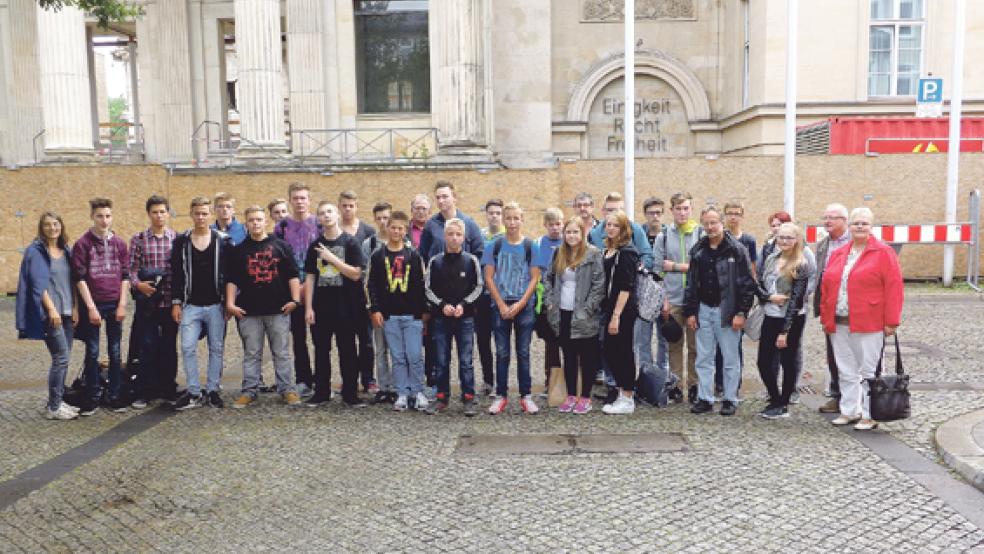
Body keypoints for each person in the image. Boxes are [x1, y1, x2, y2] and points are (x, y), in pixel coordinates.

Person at [820, 207, 903, 431]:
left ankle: (870, 413)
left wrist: (891, 320)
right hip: (839, 321)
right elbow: (827, 287)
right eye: (856, 223)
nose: (859, 227)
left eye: (864, 223)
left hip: (870, 321)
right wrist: (826, 317)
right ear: (849, 226)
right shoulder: (840, 253)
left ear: (871, 227)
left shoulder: (883, 252)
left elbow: (894, 288)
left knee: (870, 371)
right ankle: (849, 410)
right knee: (845, 370)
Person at [226, 207, 302, 408]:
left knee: (282, 352)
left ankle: (287, 389)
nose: (256, 223)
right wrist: (230, 303)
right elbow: (232, 280)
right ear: (246, 223)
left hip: (278, 309)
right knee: (252, 353)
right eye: (251, 220)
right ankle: (250, 390)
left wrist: (295, 300)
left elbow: (293, 275)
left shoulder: (281, 246)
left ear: (266, 222)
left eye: (259, 219)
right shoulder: (239, 250)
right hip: (248, 311)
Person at [684, 206, 755, 416]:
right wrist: (691, 312)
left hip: (728, 311)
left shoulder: (737, 250)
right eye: (706, 223)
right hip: (703, 310)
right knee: (703, 358)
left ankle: (730, 398)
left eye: (714, 222)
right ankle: (705, 398)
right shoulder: (698, 250)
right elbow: (691, 283)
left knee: (730, 358)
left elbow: (746, 284)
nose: (710, 227)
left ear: (722, 223)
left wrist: (741, 312)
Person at [302, 201, 367, 408]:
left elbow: (356, 274)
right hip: (321, 307)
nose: (326, 215)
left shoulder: (350, 242)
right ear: (318, 219)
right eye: (322, 213)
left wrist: (332, 258)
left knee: (347, 350)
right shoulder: (314, 246)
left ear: (337, 214)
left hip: (346, 307)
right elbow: (310, 277)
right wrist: (309, 307)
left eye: (330, 211)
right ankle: (321, 392)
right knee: (321, 350)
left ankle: (350, 393)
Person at [170, 197, 233, 411]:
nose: (201, 217)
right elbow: (176, 274)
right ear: (191, 214)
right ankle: (194, 391)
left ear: (211, 214)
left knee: (216, 347)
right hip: (190, 305)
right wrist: (176, 303)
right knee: (187, 347)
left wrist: (229, 302)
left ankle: (213, 390)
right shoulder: (181, 241)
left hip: (216, 304)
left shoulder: (223, 240)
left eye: (205, 213)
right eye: (197, 213)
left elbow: (230, 274)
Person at [16, 212, 80, 420]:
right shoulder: (36, 252)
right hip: (51, 314)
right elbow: (37, 284)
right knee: (60, 357)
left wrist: (76, 307)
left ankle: (57, 401)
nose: (52, 228)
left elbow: (72, 281)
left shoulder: (66, 250)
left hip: (68, 311)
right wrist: (51, 309)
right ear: (41, 228)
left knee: (64, 358)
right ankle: (54, 408)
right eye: (47, 225)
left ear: (61, 226)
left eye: (56, 224)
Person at [366, 211, 429, 412]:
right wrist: (374, 309)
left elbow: (422, 284)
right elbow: (371, 285)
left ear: (405, 231)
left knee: (414, 355)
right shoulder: (377, 256)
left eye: (400, 228)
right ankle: (402, 392)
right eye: (393, 227)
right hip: (389, 315)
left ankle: (417, 391)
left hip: (412, 315)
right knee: (398, 356)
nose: (396, 231)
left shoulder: (414, 255)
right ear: (388, 228)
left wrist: (424, 311)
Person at [72, 198, 130, 414]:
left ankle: (114, 393)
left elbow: (125, 275)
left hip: (115, 303)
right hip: (93, 305)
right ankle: (93, 394)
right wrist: (90, 307)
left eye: (107, 216)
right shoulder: (82, 244)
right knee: (93, 351)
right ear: (92, 217)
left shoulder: (120, 244)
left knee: (115, 351)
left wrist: (123, 304)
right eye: (99, 216)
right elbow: (80, 279)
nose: (104, 220)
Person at [543, 216, 605, 415]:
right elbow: (548, 280)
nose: (571, 235)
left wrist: (587, 309)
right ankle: (571, 396)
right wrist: (550, 303)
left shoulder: (593, 254)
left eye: (575, 232)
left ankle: (585, 397)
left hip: (585, 315)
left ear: (582, 233)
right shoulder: (558, 254)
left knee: (587, 358)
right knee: (568, 356)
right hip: (562, 313)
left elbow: (599, 285)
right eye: (568, 232)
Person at [483, 202, 540, 415]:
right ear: (504, 220)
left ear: (522, 220)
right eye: (509, 218)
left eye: (516, 218)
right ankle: (501, 395)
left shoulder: (530, 246)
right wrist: (500, 303)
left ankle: (526, 396)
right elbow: (488, 277)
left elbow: (535, 278)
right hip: (500, 304)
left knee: (524, 352)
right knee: (502, 352)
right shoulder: (494, 245)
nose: (513, 223)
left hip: (523, 305)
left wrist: (521, 303)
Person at [425, 218, 484, 415]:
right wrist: (441, 305)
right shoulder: (435, 261)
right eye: (450, 234)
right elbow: (427, 289)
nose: (454, 238)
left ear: (464, 238)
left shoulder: (471, 261)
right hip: (441, 319)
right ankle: (442, 397)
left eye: (458, 234)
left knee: (466, 360)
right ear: (444, 236)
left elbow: (479, 287)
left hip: (465, 319)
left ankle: (468, 397)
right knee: (441, 360)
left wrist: (464, 305)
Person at [755, 223, 811, 419]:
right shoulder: (771, 259)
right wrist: (769, 298)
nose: (785, 241)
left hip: (791, 319)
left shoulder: (801, 264)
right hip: (770, 315)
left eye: (789, 237)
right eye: (781, 237)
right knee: (763, 362)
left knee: (788, 361)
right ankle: (775, 397)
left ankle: (784, 403)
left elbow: (796, 299)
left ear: (797, 240)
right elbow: (759, 285)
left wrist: (785, 331)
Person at [128, 195, 178, 408]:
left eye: (162, 212)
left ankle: (168, 388)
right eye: (155, 212)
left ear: (168, 213)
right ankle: (144, 391)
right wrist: (138, 285)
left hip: (169, 302)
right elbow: (130, 270)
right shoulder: (138, 239)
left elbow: (179, 272)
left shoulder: (177, 239)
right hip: (147, 303)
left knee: (169, 347)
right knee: (146, 346)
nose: (159, 216)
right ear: (148, 214)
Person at [654, 192, 703, 403]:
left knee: (695, 346)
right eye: (678, 209)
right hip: (672, 299)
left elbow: (702, 267)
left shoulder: (700, 235)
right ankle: (675, 385)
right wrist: (663, 299)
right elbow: (658, 271)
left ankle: (694, 385)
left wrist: (675, 266)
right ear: (671, 211)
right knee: (673, 345)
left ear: (691, 210)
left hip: (695, 300)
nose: (682, 213)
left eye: (686, 208)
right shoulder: (663, 236)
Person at [274, 182, 320, 397]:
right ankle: (303, 379)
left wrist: (308, 285)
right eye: (296, 198)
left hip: (317, 290)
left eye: (303, 198)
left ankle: (322, 379)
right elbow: (278, 260)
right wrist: (294, 287)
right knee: (298, 338)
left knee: (321, 338)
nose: (300, 202)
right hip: (291, 291)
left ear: (309, 200)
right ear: (290, 200)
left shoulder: (319, 224)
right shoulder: (281, 227)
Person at [597, 210, 640, 415]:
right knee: (612, 352)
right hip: (608, 308)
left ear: (623, 228)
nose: (611, 228)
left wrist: (616, 316)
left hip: (622, 310)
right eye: (608, 225)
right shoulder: (607, 250)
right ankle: (621, 393)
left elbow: (626, 287)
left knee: (623, 352)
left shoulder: (627, 252)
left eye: (615, 225)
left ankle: (628, 397)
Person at [713, 200, 757, 396]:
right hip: (720, 297)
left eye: (736, 213)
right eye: (729, 213)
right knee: (717, 343)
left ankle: (734, 383)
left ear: (742, 216)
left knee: (735, 342)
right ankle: (719, 382)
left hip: (738, 298)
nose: (733, 217)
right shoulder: (719, 238)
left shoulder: (748, 240)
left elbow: (752, 271)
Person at [338, 190, 378, 394]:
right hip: (340, 295)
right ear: (339, 206)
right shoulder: (333, 231)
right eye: (344, 205)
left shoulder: (368, 231)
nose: (347, 209)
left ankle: (369, 378)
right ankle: (349, 379)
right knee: (345, 341)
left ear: (356, 206)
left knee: (366, 340)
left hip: (363, 294)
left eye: (351, 205)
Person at [813, 203, 852, 414]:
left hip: (853, 309)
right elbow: (818, 275)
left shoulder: (855, 243)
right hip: (830, 308)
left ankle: (858, 400)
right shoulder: (822, 245)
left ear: (844, 221)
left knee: (855, 357)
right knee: (834, 355)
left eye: (832, 218)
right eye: (825, 217)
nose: (827, 221)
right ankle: (837, 396)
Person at [363, 202, 396, 404]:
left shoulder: (405, 242)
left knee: (398, 350)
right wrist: (371, 307)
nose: (383, 222)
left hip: (399, 305)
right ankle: (384, 387)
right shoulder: (369, 245)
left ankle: (398, 386)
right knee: (380, 348)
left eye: (387, 218)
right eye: (380, 218)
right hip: (379, 305)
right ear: (375, 219)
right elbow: (366, 279)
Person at [641, 196, 671, 404]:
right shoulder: (639, 234)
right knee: (642, 340)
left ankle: (664, 378)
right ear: (645, 214)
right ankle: (646, 379)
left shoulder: (669, 234)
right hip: (643, 294)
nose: (655, 217)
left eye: (658, 213)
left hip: (665, 292)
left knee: (664, 338)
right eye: (651, 213)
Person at [476, 198, 505, 396]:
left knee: (502, 342)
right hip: (482, 296)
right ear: (486, 214)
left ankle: (501, 383)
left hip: (501, 296)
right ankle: (488, 380)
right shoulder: (480, 236)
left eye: (497, 213)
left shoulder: (509, 236)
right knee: (483, 341)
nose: (494, 216)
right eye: (491, 212)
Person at [535, 207, 565, 394]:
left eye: (558, 224)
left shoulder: (570, 241)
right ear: (545, 225)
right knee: (551, 345)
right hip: (546, 301)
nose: (555, 228)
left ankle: (572, 383)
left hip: (567, 300)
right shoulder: (539, 243)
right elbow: (536, 273)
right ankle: (551, 383)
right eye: (551, 224)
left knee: (571, 345)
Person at [757, 211, 791, 275]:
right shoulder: (766, 247)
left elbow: (811, 272)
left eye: (779, 225)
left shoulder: (799, 246)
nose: (776, 228)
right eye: (773, 226)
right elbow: (760, 270)